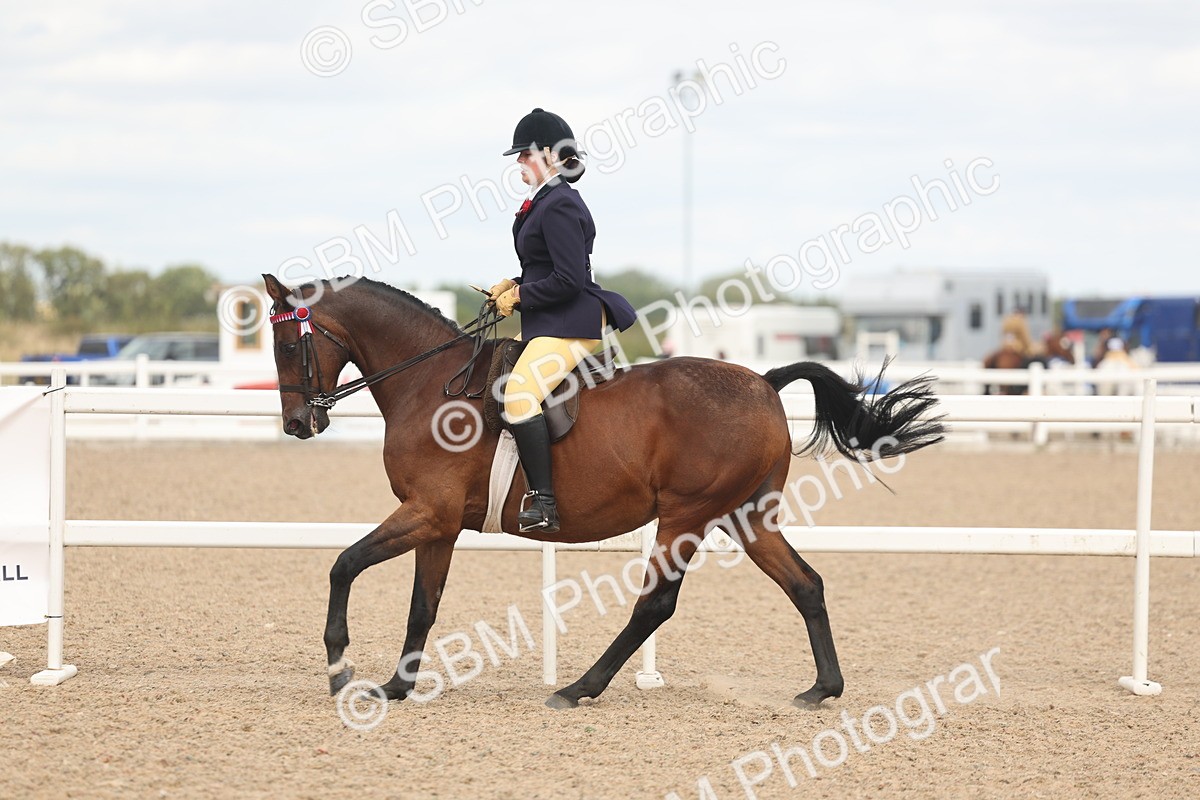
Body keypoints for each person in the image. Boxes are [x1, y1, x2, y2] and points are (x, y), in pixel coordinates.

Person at [487, 108, 637, 533]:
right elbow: (543, 267)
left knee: (517, 395)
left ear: (550, 155)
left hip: (572, 320)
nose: (518, 162)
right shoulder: (545, 201)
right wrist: (510, 284)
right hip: (550, 315)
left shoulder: (559, 204)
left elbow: (570, 279)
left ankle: (544, 502)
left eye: (524, 155)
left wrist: (520, 296)